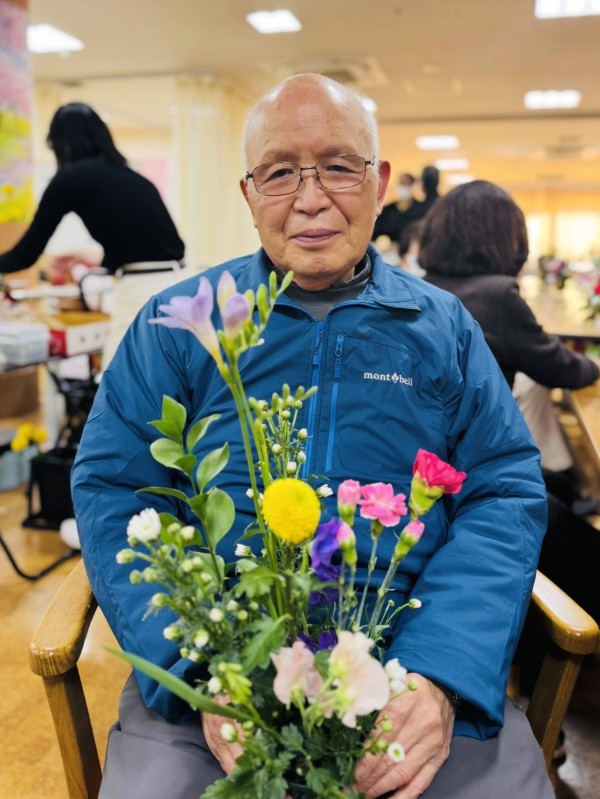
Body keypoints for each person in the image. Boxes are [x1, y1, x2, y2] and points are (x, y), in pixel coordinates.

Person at [71, 75, 552, 799]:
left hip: (406, 668)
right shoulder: (181, 325)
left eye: (337, 166)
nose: (310, 198)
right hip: (218, 679)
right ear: (248, 195)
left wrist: (440, 674)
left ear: (380, 183)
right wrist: (203, 671)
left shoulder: (445, 329)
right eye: (279, 173)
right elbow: (114, 486)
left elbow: (503, 491)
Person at [419, 179, 600, 620]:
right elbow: (560, 368)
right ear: (506, 235)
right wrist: (594, 365)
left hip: (437, 472)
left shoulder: (425, 288)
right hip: (478, 482)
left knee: (561, 486)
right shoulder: (497, 295)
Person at [0, 102, 186, 364]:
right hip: (179, 285)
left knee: (118, 379)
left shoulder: (69, 179)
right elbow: (150, 247)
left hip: (140, 293)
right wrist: (88, 256)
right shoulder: (134, 178)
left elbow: (26, 254)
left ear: (61, 144)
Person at [371, 171, 416, 245]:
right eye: (401, 183)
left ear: (412, 185)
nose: (402, 187)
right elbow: (376, 232)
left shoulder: (419, 209)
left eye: (406, 183)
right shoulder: (388, 210)